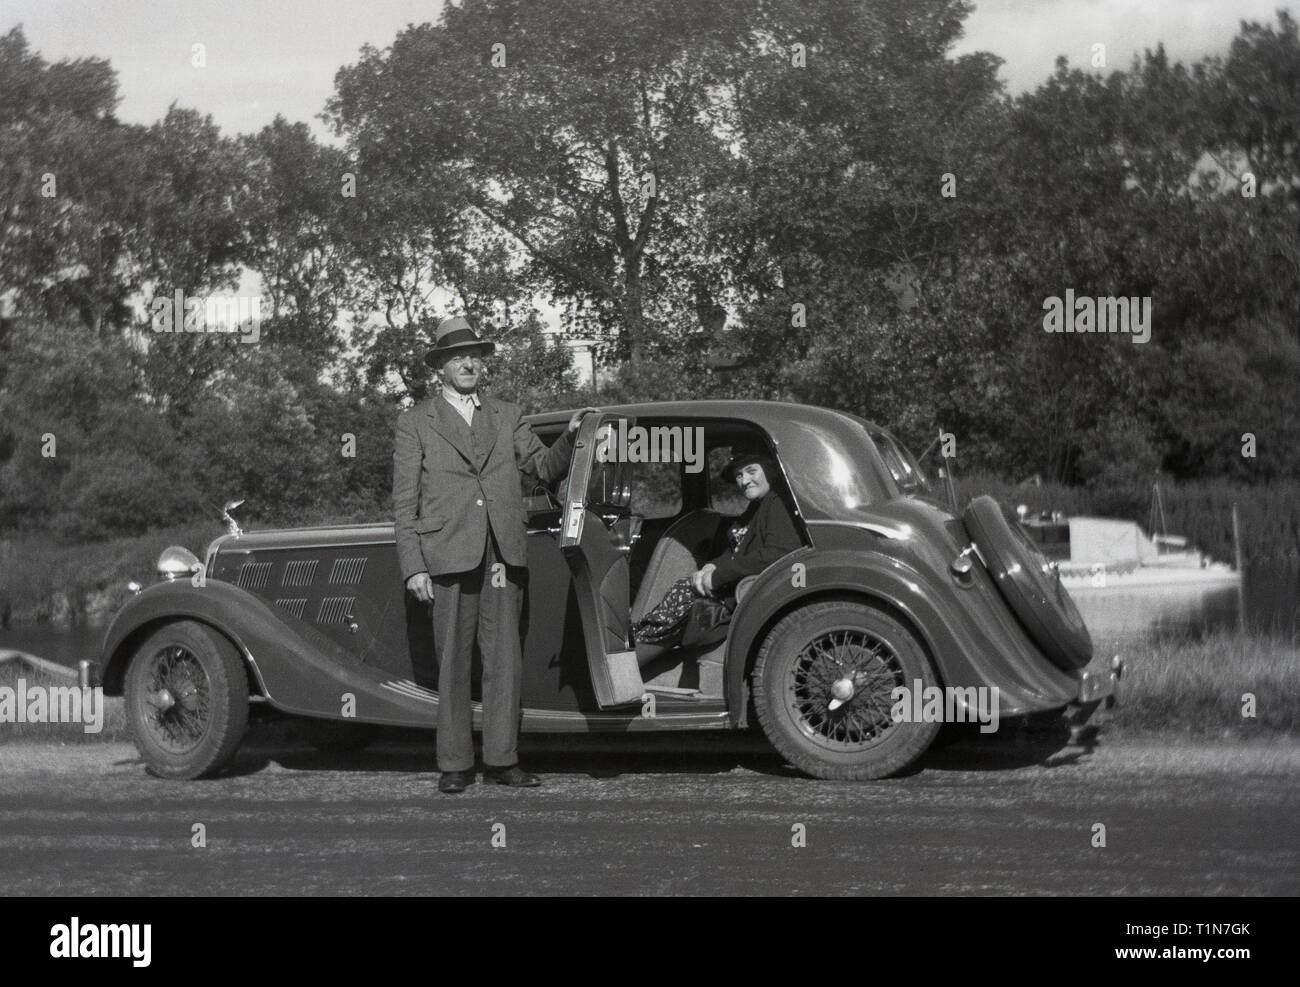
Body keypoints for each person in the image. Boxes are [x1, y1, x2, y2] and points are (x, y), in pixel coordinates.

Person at [393, 315, 596, 794]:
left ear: (482, 365)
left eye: (474, 355)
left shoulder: (507, 414)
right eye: (456, 356)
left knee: (504, 660)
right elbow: (404, 503)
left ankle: (503, 760)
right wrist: (413, 565)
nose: (467, 363)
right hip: (445, 554)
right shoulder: (413, 422)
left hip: (502, 555)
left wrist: (572, 435)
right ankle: (455, 764)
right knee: (453, 661)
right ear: (440, 367)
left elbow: (544, 466)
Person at [631, 447, 801, 652]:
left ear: (770, 470)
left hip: (753, 593)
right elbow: (739, 549)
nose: (744, 481)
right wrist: (712, 565)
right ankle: (638, 643)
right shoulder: (757, 505)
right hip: (741, 584)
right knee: (684, 588)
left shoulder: (778, 503)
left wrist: (719, 575)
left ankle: (634, 656)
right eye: (739, 475)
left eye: (751, 471)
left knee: (684, 594)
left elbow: (777, 554)